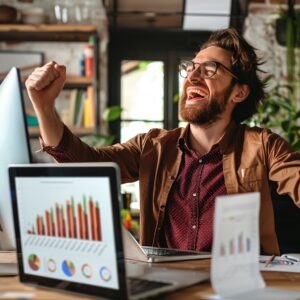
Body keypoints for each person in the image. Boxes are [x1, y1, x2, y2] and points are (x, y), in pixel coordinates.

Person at [26, 28, 300, 255]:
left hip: (239, 289)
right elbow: (85, 165)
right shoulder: (152, 146)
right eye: (191, 67)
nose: (192, 75)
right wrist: (44, 107)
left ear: (239, 92)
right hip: (169, 286)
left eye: (210, 69)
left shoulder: (264, 146)